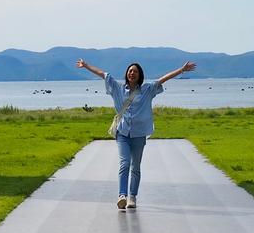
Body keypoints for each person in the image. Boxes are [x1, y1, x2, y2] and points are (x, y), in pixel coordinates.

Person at [76, 57, 197, 209]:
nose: (132, 73)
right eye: (130, 71)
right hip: (123, 133)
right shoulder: (118, 89)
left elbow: (162, 80)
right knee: (124, 163)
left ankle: (132, 197)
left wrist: (181, 70)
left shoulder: (147, 89)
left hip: (139, 134)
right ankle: (122, 195)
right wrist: (86, 65)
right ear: (126, 73)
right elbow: (104, 74)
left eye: (135, 71)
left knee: (136, 166)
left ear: (140, 75)